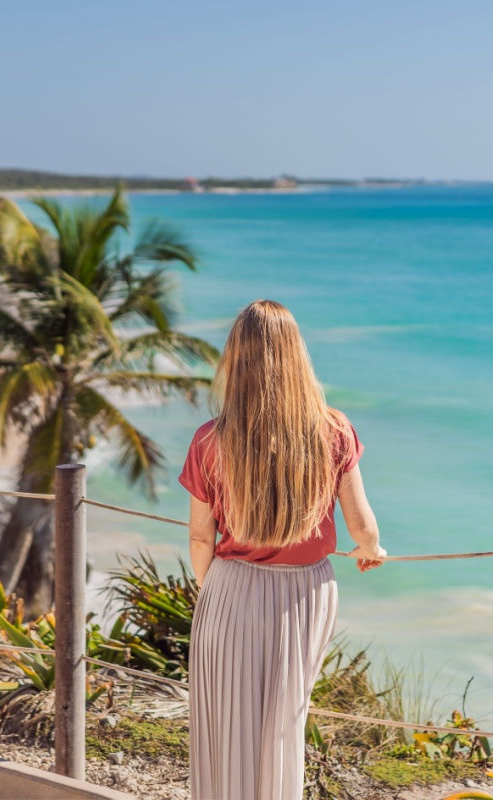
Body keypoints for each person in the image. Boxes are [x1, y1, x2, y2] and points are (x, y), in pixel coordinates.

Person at [178, 299, 386, 800]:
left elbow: (200, 537)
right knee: (283, 721)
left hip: (230, 588)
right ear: (298, 357)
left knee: (225, 723)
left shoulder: (211, 439)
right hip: (307, 592)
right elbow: (360, 524)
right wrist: (372, 548)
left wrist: (214, 592)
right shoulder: (333, 429)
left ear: (236, 359)